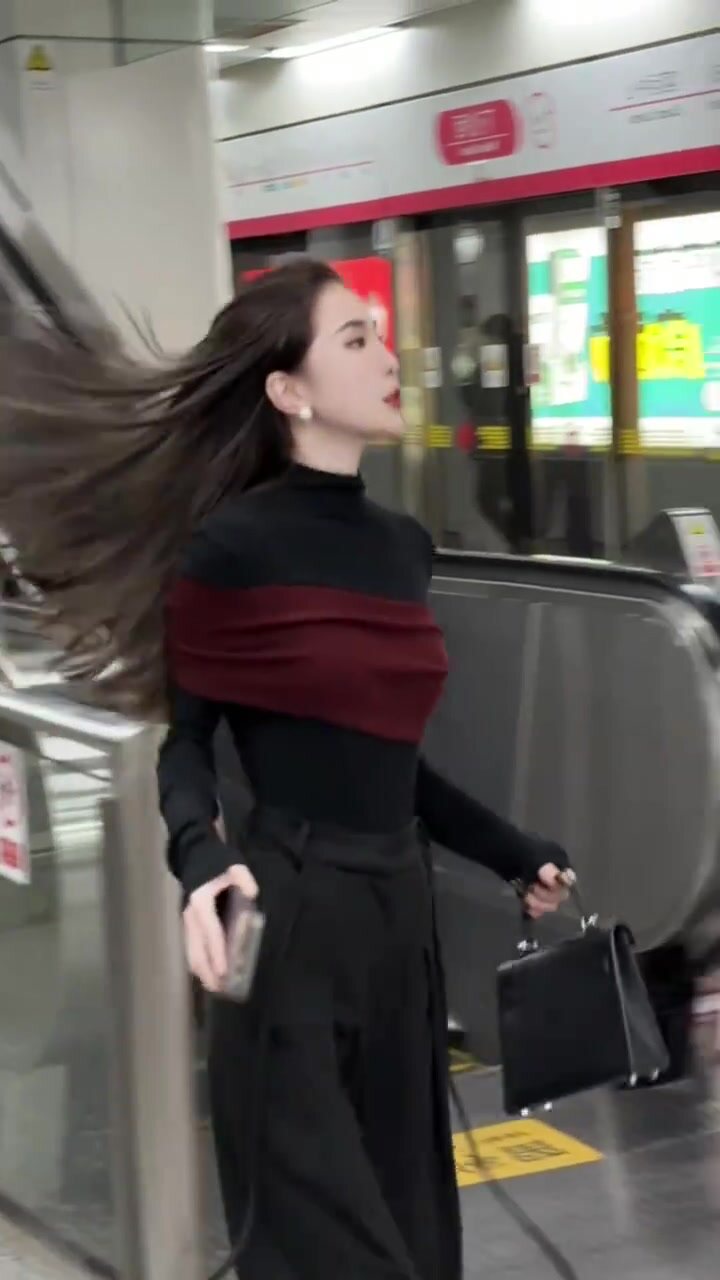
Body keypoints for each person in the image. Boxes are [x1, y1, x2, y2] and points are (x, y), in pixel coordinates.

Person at [0, 258, 570, 1280]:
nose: (388, 358)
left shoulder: (402, 548)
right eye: (355, 339)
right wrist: (200, 860)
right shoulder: (228, 549)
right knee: (324, 1238)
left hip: (399, 927)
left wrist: (510, 851)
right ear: (287, 390)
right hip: (288, 918)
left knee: (414, 1232)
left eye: (379, 334)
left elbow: (389, 763)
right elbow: (187, 743)